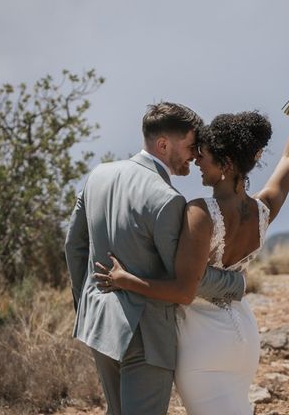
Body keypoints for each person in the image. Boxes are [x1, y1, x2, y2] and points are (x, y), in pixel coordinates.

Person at [94, 63, 289, 414]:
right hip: (243, 335)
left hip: (203, 343)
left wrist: (127, 280)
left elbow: (184, 291)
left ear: (227, 164)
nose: (198, 160)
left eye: (206, 156)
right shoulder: (263, 209)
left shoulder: (201, 212)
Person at [64, 102, 246, 415]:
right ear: (163, 144)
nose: (196, 154)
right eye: (191, 146)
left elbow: (73, 246)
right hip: (145, 334)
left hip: (98, 321)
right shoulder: (168, 199)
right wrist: (235, 282)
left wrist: (87, 302)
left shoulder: (99, 175)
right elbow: (188, 278)